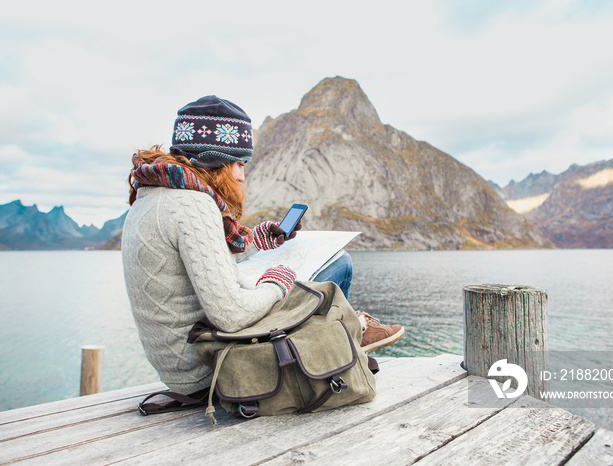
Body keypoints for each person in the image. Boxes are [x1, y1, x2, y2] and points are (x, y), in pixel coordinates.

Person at [122, 95, 403, 397]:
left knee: (313, 273)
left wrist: (257, 241)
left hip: (182, 369)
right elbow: (230, 317)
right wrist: (276, 285)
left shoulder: (152, 194)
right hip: (213, 368)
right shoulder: (193, 204)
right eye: (238, 164)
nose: (242, 176)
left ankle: (341, 337)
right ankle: (345, 337)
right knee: (340, 265)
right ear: (214, 157)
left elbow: (200, 259)